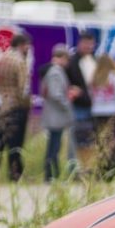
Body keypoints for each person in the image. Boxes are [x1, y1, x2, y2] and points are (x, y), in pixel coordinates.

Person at [0, 31, 32, 181]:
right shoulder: (19, 61)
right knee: (15, 143)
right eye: (27, 46)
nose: (28, 49)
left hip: (0, 104)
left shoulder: (2, 58)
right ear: (22, 45)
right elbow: (23, 88)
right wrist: (25, 104)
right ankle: (15, 173)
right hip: (15, 105)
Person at [40, 44, 74, 182]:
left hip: (54, 115)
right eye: (66, 59)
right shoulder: (55, 72)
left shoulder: (53, 71)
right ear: (62, 58)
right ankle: (51, 175)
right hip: (55, 115)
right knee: (54, 146)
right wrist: (67, 105)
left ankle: (53, 173)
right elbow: (56, 94)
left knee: (55, 144)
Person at [66, 30, 96, 173]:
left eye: (90, 44)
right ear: (80, 44)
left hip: (95, 106)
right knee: (76, 139)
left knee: (90, 139)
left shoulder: (95, 61)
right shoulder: (73, 62)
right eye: (86, 44)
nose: (88, 47)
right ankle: (74, 168)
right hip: (78, 105)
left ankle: (88, 167)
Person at [89, 54, 115, 177]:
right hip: (112, 111)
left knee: (100, 142)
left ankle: (100, 169)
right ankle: (111, 169)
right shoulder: (114, 77)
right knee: (113, 141)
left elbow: (91, 95)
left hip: (97, 112)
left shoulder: (94, 77)